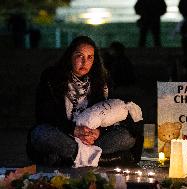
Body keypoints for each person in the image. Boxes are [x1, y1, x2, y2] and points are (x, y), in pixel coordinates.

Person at [26, 36, 144, 166]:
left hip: (92, 139)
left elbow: (108, 114)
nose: (84, 62)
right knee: (41, 134)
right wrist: (73, 130)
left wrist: (98, 132)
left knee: (128, 137)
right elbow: (44, 115)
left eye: (89, 57)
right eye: (79, 56)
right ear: (70, 56)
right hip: (64, 135)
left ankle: (69, 158)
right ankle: (99, 159)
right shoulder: (52, 78)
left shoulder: (101, 82)